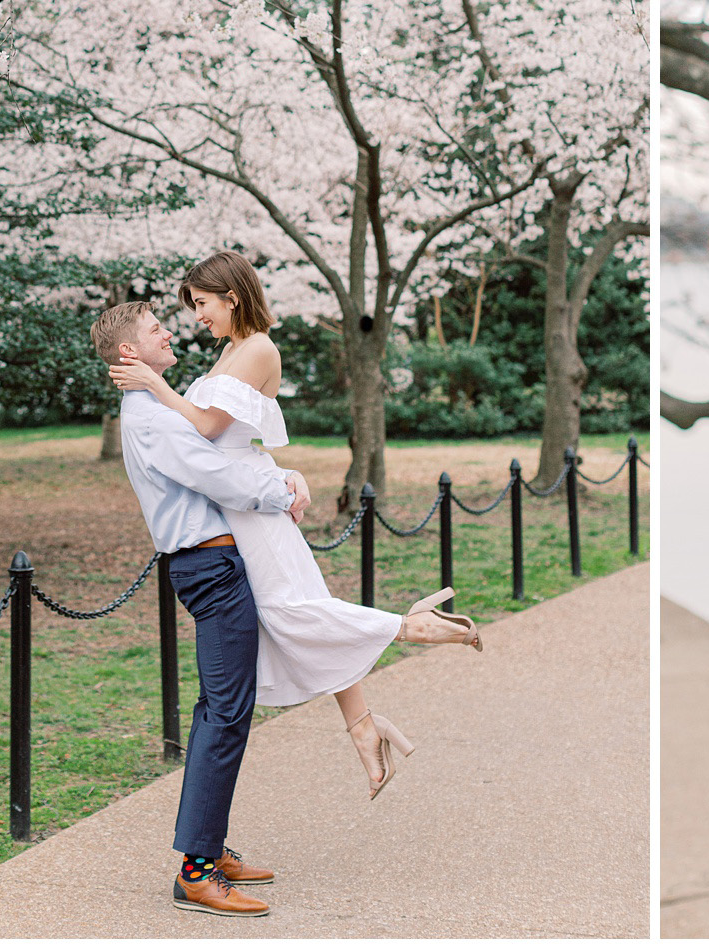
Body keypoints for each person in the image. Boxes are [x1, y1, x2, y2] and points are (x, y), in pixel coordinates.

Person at [93, 256, 479, 918]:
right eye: (163, 322)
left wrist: (276, 477)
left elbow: (221, 450)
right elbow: (214, 467)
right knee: (225, 710)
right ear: (130, 351)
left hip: (220, 556)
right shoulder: (153, 413)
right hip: (211, 564)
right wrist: (280, 487)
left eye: (193, 307)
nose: (179, 325)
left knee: (228, 705)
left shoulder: (180, 390)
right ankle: (197, 867)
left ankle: (210, 849)